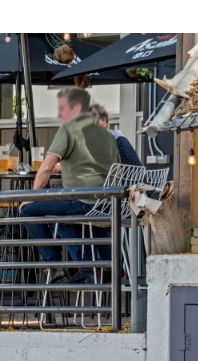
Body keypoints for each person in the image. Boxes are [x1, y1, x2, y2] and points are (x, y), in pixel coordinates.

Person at [20, 87, 120, 284]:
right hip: (108, 203)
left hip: (83, 200)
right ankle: (108, 267)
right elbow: (118, 171)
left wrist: (32, 197)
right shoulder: (107, 135)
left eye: (62, 108)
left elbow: (46, 168)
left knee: (27, 211)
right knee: (68, 219)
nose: (59, 113)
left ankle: (56, 267)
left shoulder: (68, 129)